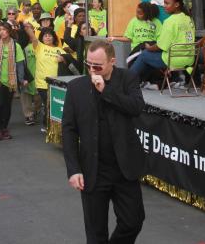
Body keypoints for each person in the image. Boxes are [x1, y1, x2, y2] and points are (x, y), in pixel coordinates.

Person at [62, 40, 146, 244]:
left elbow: (136, 107)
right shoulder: (76, 87)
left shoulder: (127, 78)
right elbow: (69, 130)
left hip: (123, 168)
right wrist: (73, 169)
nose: (92, 70)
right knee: (95, 232)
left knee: (133, 221)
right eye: (88, 65)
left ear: (112, 62)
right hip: (93, 170)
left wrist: (106, 91)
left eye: (97, 66)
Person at [130, 0, 195, 89]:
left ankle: (127, 81)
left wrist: (149, 48)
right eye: (164, 3)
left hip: (173, 59)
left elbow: (161, 46)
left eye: (167, 3)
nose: (164, 6)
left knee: (144, 55)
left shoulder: (170, 21)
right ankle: (155, 82)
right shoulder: (188, 19)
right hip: (189, 58)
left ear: (177, 4)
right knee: (149, 57)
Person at [0, 21, 28, 140]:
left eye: (4, 30)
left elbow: (20, 64)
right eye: (0, 30)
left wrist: (21, 79)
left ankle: (4, 128)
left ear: (9, 31)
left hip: (11, 81)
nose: (2, 32)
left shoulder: (16, 46)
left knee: (7, 106)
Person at [22, 23, 64, 132]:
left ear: (54, 37)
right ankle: (49, 127)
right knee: (48, 104)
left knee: (52, 105)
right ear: (42, 38)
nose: (48, 37)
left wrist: (63, 59)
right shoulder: (39, 47)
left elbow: (67, 63)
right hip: (42, 83)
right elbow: (33, 38)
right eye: (45, 35)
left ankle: (50, 126)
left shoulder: (60, 50)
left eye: (50, 35)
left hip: (57, 83)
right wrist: (28, 29)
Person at [110, 1, 162, 70]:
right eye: (137, 12)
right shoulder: (133, 21)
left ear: (147, 13)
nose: (137, 15)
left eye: (140, 13)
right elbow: (128, 38)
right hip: (137, 50)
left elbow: (160, 40)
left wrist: (151, 47)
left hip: (151, 49)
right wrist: (114, 38)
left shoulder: (156, 22)